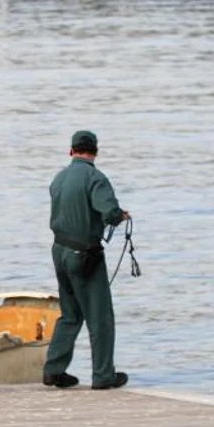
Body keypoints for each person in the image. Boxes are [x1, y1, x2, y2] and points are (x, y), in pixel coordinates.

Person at [43, 130, 130, 390]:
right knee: (100, 316)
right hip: (84, 255)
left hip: (59, 251)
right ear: (95, 152)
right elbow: (108, 212)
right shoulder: (96, 178)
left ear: (71, 151)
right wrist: (119, 215)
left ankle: (54, 370)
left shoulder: (58, 178)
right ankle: (103, 376)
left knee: (70, 314)